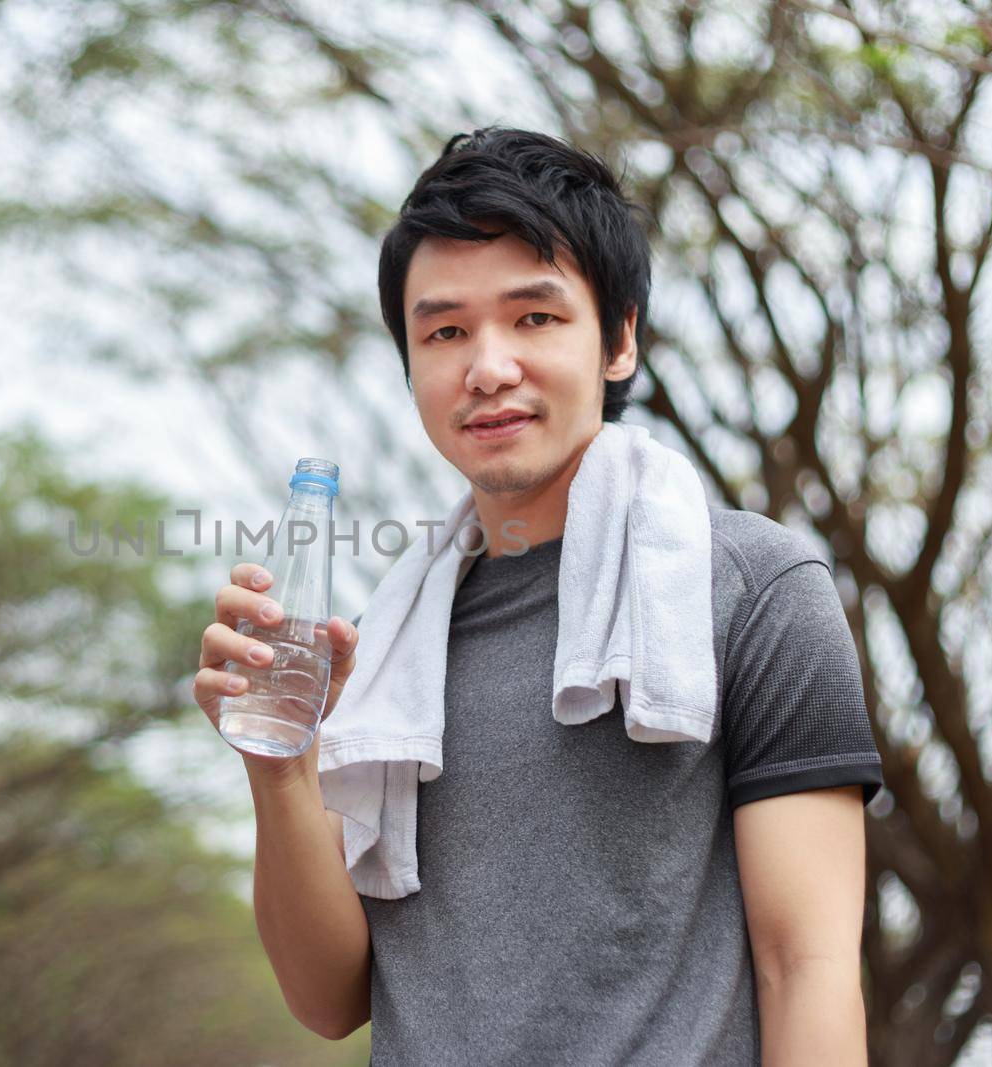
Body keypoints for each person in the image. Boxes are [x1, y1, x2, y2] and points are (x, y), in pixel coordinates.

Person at [194, 126, 884, 1066]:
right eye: (443, 331)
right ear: (411, 366)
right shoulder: (384, 647)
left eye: (535, 317)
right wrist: (282, 764)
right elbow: (328, 999)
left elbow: (803, 965)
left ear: (620, 338)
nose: (487, 367)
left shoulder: (752, 591)